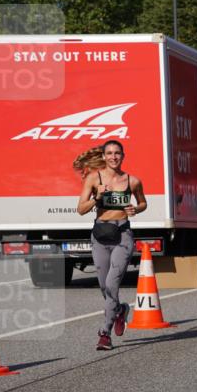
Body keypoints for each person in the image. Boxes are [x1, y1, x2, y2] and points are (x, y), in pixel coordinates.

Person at [77, 141, 147, 351]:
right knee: (104, 286)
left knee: (112, 283)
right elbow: (80, 209)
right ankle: (119, 310)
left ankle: (104, 333)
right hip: (100, 235)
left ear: (123, 156)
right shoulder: (93, 178)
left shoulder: (132, 181)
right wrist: (97, 196)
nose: (113, 157)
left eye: (117, 153)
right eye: (109, 153)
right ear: (104, 156)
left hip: (122, 235)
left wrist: (136, 209)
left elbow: (143, 203)